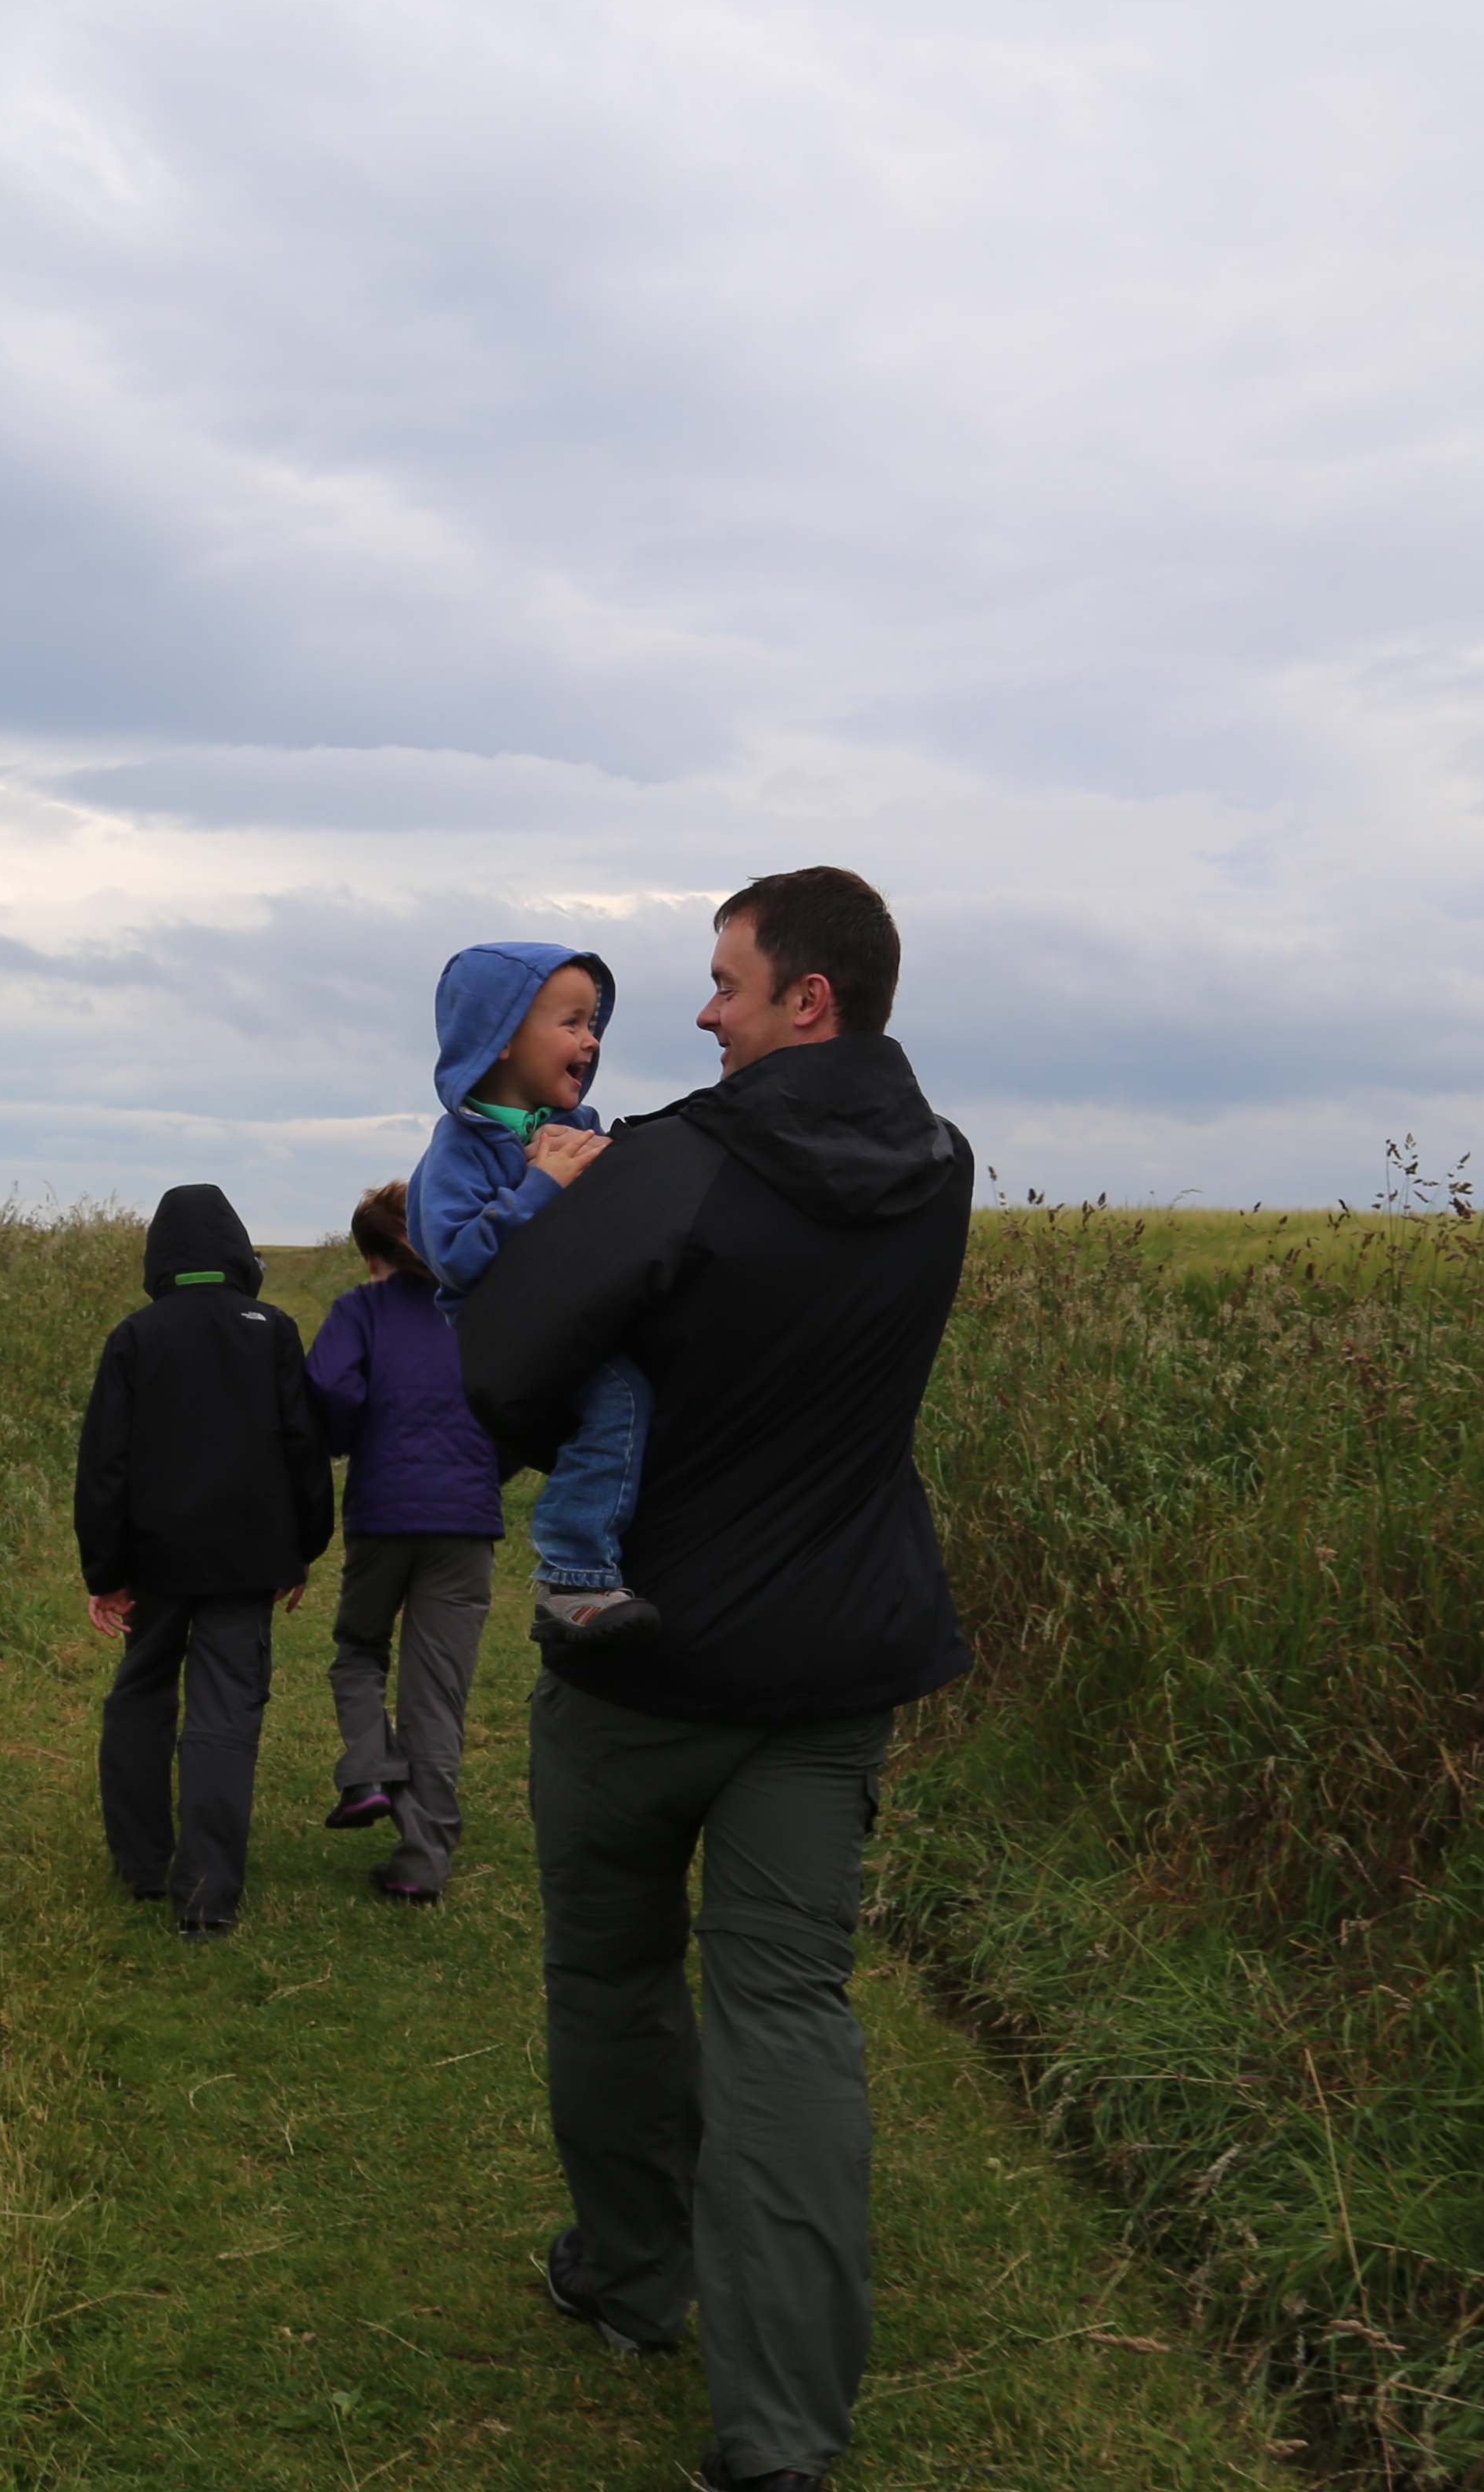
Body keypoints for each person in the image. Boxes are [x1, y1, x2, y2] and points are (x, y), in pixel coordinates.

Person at [459, 867, 976, 2492]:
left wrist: (587, 1450)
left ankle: (627, 2279)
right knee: (790, 2021)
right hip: (829, 1680)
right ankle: (781, 2441)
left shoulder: (678, 1161)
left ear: (805, 999)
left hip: (642, 1667)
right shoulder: (941, 1170)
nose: (700, 1012)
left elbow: (498, 1360)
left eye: (724, 981)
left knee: (611, 1978)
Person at [72, 1181, 336, 1939]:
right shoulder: (272, 1330)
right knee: (225, 1716)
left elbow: (105, 1466)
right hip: (247, 1562)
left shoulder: (135, 1336)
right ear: (237, 1251)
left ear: (160, 1259)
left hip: (155, 1564)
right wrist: (302, 1548)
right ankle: (208, 1897)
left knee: (140, 1700)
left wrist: (106, 1571)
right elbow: (303, 1450)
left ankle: (144, 1865)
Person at [407, 943, 664, 1653]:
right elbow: (457, 1258)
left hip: (572, 1312)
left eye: (594, 1024)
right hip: (506, 1328)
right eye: (572, 1022)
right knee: (619, 1399)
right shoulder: (460, 1148)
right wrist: (541, 1187)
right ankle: (573, 1575)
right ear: (503, 1038)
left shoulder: (579, 1131)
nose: (591, 1040)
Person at [304, 1179, 506, 1906]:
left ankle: (366, 1772)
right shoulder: (479, 1311)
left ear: (371, 1256)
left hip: (384, 1511)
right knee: (437, 1693)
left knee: (359, 1649)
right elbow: (518, 1399)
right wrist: (487, 1464)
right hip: (467, 1521)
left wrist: (356, 1437)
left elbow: (327, 1383)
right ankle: (423, 1861)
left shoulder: (360, 1310)